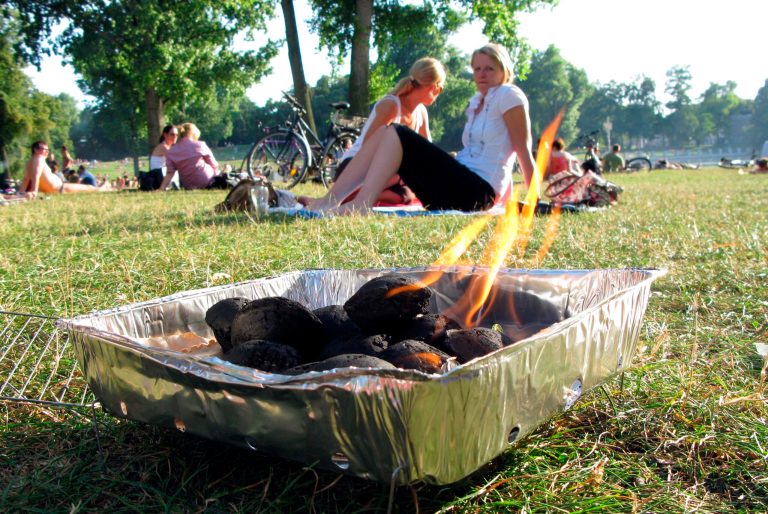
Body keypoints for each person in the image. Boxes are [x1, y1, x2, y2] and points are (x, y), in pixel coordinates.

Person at [308, 43, 537, 215]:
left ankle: (361, 204)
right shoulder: (479, 101)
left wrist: (533, 200)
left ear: (504, 69)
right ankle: (330, 200)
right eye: (477, 69)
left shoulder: (509, 95)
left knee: (397, 132)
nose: (481, 74)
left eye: (489, 68)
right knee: (389, 132)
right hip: (459, 186)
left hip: (476, 192)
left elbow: (522, 150)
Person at [336, 57, 446, 205]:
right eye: (441, 87)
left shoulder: (421, 112)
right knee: (404, 182)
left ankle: (362, 196)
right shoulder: (391, 105)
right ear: (434, 88)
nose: (441, 91)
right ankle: (353, 194)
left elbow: (428, 155)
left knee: (408, 192)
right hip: (356, 168)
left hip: (390, 175)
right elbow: (367, 149)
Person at [18, 141, 110, 198]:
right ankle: (104, 187)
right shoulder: (39, 158)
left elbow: (26, 180)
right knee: (89, 188)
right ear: (35, 150)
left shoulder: (29, 162)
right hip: (59, 188)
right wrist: (34, 191)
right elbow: (36, 176)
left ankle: (105, 187)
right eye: (44, 149)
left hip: (57, 188)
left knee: (89, 188)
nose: (47, 151)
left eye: (47, 149)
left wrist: (20, 193)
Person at [159, 122, 221, 190]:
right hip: (208, 181)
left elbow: (170, 173)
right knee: (228, 168)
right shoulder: (200, 145)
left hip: (188, 186)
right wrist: (217, 177)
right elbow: (214, 165)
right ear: (194, 133)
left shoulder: (171, 152)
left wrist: (161, 188)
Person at [145, 124, 179, 190]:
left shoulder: (168, 147)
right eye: (172, 134)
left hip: (161, 174)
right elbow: (176, 160)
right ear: (165, 135)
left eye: (176, 135)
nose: (175, 137)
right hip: (158, 175)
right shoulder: (163, 147)